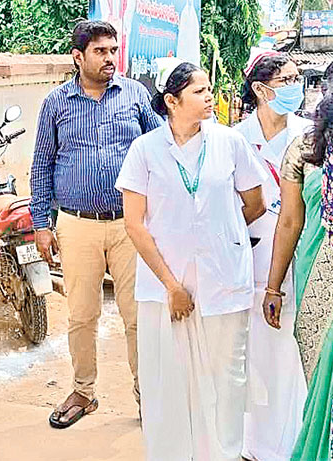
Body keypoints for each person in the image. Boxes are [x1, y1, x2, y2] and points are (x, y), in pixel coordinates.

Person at [115, 62, 267, 460]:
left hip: (223, 281)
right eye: (199, 91)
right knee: (168, 380)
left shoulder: (230, 142)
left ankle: (225, 454)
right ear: (171, 100)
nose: (210, 97)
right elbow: (134, 224)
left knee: (228, 378)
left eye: (209, 89)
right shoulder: (145, 150)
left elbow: (255, 203)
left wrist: (220, 235)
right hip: (165, 288)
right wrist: (172, 285)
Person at [30, 19, 161, 429]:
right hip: (77, 225)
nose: (110, 58)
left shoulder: (135, 95)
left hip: (131, 226)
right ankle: (83, 392)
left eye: (113, 50)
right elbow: (42, 164)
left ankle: (149, 398)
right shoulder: (56, 103)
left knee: (137, 317)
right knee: (82, 315)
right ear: (78, 56)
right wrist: (41, 223)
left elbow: (161, 147)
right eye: (100, 51)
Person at [235, 51, 309, 461]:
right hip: (249, 254)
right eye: (287, 80)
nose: (297, 87)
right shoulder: (235, 139)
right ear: (261, 90)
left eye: (298, 78)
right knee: (250, 353)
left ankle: (293, 440)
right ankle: (252, 442)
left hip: (297, 255)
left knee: (289, 352)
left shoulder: (309, 135)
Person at [263, 95, 333, 461]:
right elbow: (290, 221)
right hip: (317, 272)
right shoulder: (305, 148)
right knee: (322, 375)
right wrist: (273, 286)